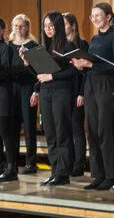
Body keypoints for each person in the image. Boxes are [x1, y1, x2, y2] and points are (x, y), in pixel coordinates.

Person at [21, 11, 78, 186]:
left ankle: (63, 173)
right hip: (46, 92)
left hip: (61, 91)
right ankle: (55, 171)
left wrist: (53, 77)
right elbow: (40, 74)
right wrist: (28, 64)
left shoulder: (68, 46)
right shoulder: (44, 48)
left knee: (62, 132)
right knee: (50, 133)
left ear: (58, 26)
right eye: (45, 26)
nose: (48, 29)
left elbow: (74, 71)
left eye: (51, 26)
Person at [71, 3, 114, 191]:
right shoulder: (93, 38)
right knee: (92, 131)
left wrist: (91, 66)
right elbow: (91, 65)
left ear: (109, 16)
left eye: (98, 15)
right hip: (91, 85)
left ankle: (112, 176)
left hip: (107, 85)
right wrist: (82, 67)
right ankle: (98, 174)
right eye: (92, 15)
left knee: (105, 131)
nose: (94, 18)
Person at [7, 14, 38, 175]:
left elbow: (39, 72)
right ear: (12, 27)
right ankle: (13, 162)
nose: (19, 29)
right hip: (12, 89)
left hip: (28, 88)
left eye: (22, 26)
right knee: (12, 127)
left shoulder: (33, 45)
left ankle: (30, 162)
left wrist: (35, 91)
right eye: (16, 26)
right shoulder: (8, 45)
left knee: (29, 126)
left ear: (27, 27)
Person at [62, 13, 87, 177]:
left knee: (77, 129)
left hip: (78, 90)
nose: (62, 28)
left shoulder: (82, 43)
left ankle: (79, 164)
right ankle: (68, 162)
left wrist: (81, 93)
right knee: (66, 129)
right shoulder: (60, 44)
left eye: (64, 24)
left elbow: (85, 71)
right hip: (64, 91)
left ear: (72, 25)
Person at [0, 18, 16, 182]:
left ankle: (11, 168)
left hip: (3, 93)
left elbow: (6, 72)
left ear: (3, 30)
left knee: (5, 132)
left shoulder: (6, 48)